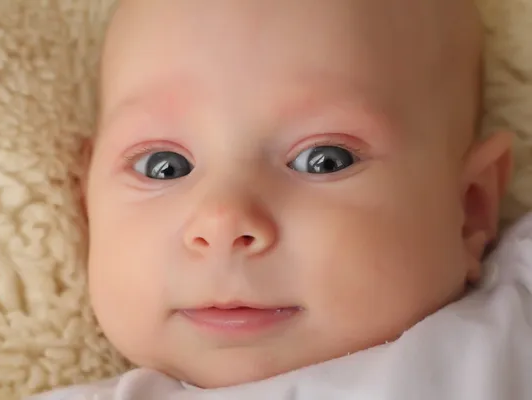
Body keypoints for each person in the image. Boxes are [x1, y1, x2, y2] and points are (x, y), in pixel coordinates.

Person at [31, 0, 532, 398]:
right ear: (87, 202)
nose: (223, 220)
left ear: (469, 209)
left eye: (323, 159)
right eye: (163, 166)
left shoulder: (510, 331)